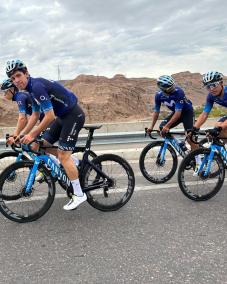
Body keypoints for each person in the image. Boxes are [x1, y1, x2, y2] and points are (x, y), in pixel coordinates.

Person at [6, 59, 86, 210]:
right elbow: (35, 115)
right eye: (13, 79)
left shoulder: (36, 86)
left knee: (62, 155)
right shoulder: (30, 90)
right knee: (38, 145)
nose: (16, 81)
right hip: (62, 117)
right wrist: (21, 135)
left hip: (73, 115)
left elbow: (49, 116)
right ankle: (72, 162)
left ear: (26, 73)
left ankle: (79, 194)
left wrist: (32, 134)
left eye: (18, 76)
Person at [147, 75, 196, 150]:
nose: (173, 89)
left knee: (190, 138)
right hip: (177, 113)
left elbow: (178, 113)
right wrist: (151, 127)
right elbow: (156, 112)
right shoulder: (158, 96)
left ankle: (198, 159)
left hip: (187, 113)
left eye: (173, 86)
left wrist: (167, 126)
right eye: (171, 88)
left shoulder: (179, 92)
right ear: (163, 89)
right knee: (161, 129)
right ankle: (180, 144)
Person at [1, 78, 44, 145]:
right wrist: (18, 134)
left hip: (48, 120)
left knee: (37, 146)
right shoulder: (21, 95)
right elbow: (25, 121)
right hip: (44, 120)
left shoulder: (20, 97)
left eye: (5, 91)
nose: (4, 94)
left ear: (12, 89)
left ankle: (63, 156)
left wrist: (16, 134)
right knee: (37, 147)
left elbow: (22, 119)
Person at [191, 70, 226, 137]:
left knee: (220, 127)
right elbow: (204, 114)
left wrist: (220, 128)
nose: (211, 89)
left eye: (214, 85)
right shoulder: (211, 96)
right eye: (208, 87)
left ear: (221, 83)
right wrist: (195, 128)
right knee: (218, 126)